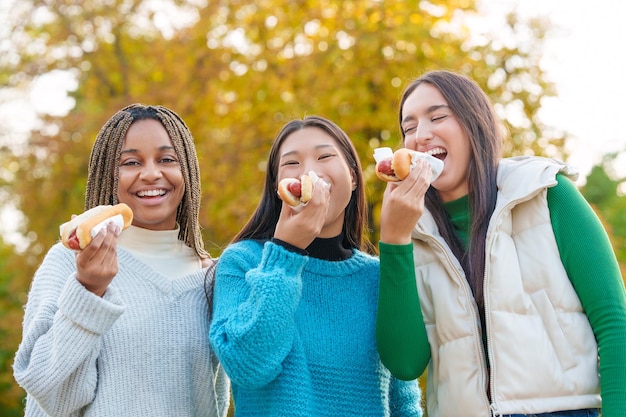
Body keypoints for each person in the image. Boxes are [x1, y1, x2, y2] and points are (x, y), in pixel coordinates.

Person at [376, 70, 626, 417]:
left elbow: (615, 323)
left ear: (474, 123)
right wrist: (394, 238)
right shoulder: (411, 232)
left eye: (437, 117)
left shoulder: (546, 193)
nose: (421, 135)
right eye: (409, 127)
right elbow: (405, 363)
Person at [13, 104, 230, 417]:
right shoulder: (68, 263)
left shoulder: (212, 279)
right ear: (108, 175)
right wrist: (88, 290)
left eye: (167, 159)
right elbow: (54, 397)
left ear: (188, 171)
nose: (152, 173)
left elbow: (218, 401)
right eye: (131, 162)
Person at [209, 115, 422, 416]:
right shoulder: (243, 262)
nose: (309, 171)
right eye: (292, 163)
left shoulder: (378, 277)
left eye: (324, 156)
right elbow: (248, 366)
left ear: (353, 175)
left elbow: (404, 400)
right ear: (277, 187)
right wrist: (286, 251)